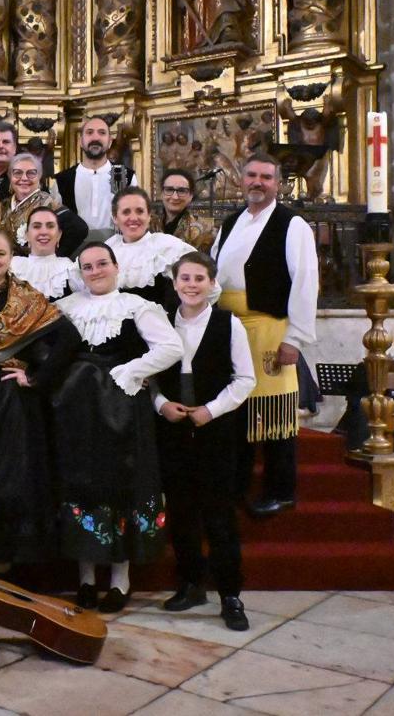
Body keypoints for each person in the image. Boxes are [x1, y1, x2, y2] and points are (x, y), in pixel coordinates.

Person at [51, 243, 183, 612]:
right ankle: (86, 579)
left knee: (121, 486)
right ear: (81, 273)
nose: (95, 271)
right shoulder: (64, 308)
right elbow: (46, 353)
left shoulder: (137, 306)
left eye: (102, 264)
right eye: (88, 266)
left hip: (123, 410)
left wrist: (131, 371)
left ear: (115, 266)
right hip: (79, 412)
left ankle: (120, 581)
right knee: (82, 486)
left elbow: (171, 347)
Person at [0, 229, 79, 579]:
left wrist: (35, 377)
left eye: (0, 254)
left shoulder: (26, 296)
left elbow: (68, 338)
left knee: (4, 478)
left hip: (9, 400)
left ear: (11, 258)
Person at [153, 252, 256, 631]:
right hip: (173, 431)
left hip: (216, 432)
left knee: (218, 513)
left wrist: (211, 411)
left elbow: (245, 379)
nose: (191, 285)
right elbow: (150, 378)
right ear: (175, 282)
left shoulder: (229, 325)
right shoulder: (161, 323)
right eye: (185, 278)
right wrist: (161, 404)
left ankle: (230, 594)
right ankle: (191, 583)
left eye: (199, 278)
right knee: (181, 511)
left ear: (212, 284)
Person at [212, 156, 318, 517]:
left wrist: (295, 338)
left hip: (270, 328)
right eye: (252, 175)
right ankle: (238, 486)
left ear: (278, 183)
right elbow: (215, 274)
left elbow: (305, 281)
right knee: (237, 408)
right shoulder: (231, 222)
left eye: (266, 177)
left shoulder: (292, 224)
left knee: (273, 412)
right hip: (231, 328)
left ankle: (281, 490)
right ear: (241, 179)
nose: (258, 182)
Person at [105, 187, 202, 312]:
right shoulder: (109, 247)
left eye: (140, 211)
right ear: (115, 218)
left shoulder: (166, 245)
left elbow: (205, 286)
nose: (133, 218)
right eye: (126, 212)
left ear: (149, 216)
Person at [51, 116, 137, 237]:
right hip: (76, 246)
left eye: (102, 133)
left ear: (109, 142)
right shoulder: (63, 180)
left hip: (117, 245)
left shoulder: (125, 175)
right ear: (81, 141)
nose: (95, 138)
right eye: (89, 132)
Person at [2, 154, 89, 259]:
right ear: (10, 176)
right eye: (17, 173)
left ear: (39, 176)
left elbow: (79, 229)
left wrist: (54, 256)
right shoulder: (4, 204)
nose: (24, 178)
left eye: (31, 173)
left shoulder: (48, 203)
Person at [9, 206, 84, 301]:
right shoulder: (11, 266)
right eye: (36, 226)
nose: (44, 232)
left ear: (59, 235)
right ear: (27, 235)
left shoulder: (68, 269)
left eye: (50, 226)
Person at [154, 168, 216, 253]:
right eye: (169, 190)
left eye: (181, 191)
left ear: (191, 196)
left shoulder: (205, 229)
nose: (175, 197)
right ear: (161, 194)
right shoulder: (149, 224)